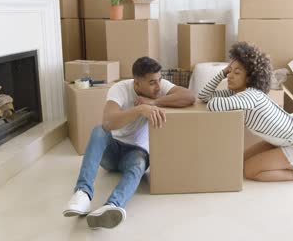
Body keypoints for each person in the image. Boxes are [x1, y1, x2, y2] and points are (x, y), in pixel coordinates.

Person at [63, 57, 195, 229]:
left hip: (135, 152)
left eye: (159, 81)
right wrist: (140, 109)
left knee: (141, 161)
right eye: (152, 83)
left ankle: (112, 206)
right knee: (98, 130)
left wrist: (154, 102)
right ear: (137, 83)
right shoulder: (120, 89)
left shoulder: (159, 88)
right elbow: (108, 122)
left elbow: (189, 96)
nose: (158, 87)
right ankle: (83, 194)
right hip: (112, 152)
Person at [198, 42, 293, 182]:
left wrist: (224, 78)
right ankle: (288, 163)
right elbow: (204, 97)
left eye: (236, 72)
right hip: (282, 141)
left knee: (250, 170)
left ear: (250, 78)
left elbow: (213, 105)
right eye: (229, 71)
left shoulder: (251, 96)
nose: (230, 76)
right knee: (241, 160)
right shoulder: (237, 93)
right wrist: (221, 73)